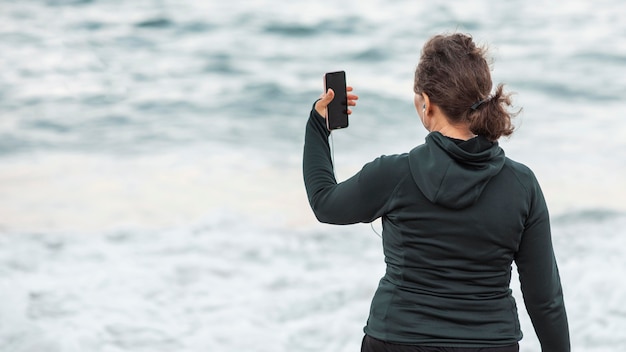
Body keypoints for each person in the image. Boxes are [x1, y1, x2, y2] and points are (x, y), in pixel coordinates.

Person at [302, 33, 570, 352]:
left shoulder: (391, 175)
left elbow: (324, 203)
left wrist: (319, 124)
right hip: (490, 345)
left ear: (426, 104)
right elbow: (544, 300)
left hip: (396, 340)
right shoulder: (522, 185)